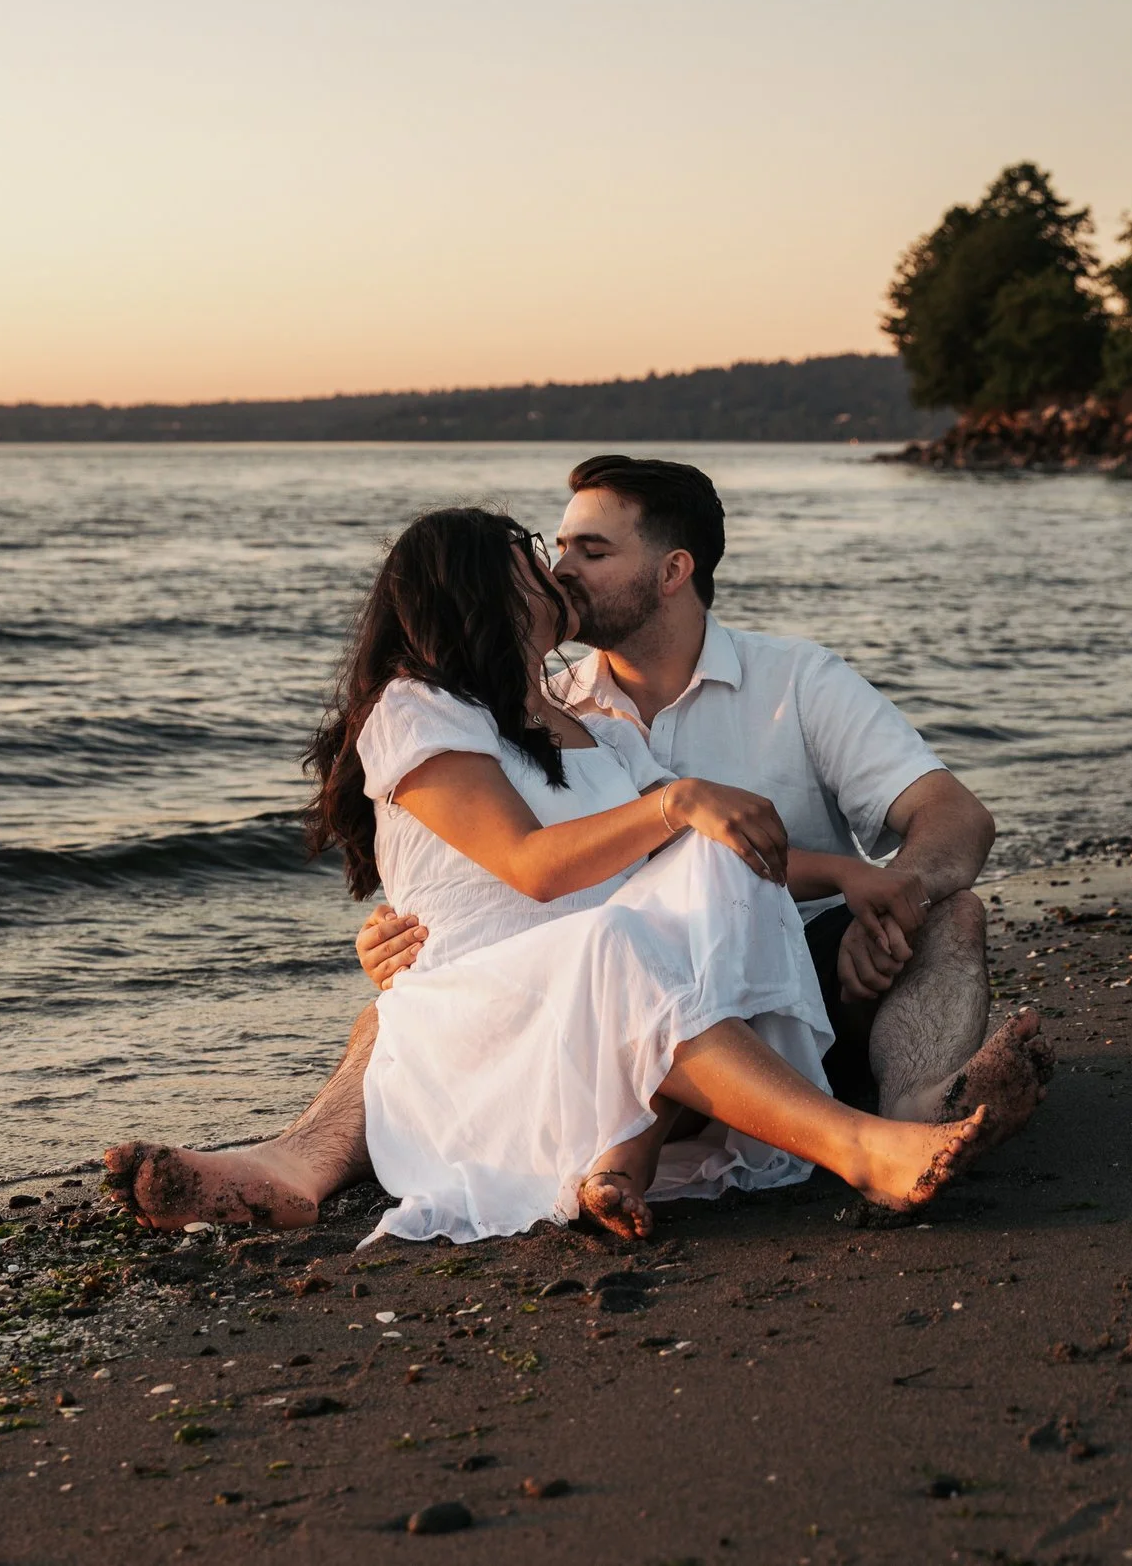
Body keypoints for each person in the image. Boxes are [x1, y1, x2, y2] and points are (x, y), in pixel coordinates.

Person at [103, 457, 1049, 1234]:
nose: (560, 569)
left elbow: (948, 817)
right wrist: (402, 929)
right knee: (541, 966)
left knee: (703, 912)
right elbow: (520, 864)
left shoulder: (782, 683)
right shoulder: (466, 707)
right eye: (548, 551)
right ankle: (294, 1165)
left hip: (780, 972)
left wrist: (877, 889)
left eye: (589, 551)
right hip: (556, 985)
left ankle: (918, 1109)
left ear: (671, 571)